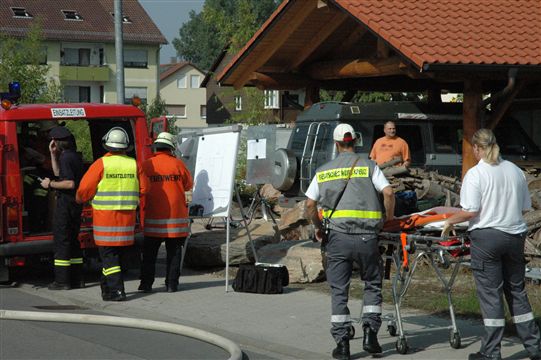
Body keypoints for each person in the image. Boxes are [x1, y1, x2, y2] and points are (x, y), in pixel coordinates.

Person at [442, 129, 541, 360]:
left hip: (487, 238)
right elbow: (525, 208)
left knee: (491, 295)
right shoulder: (516, 171)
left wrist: (448, 221)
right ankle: (535, 347)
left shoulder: (476, 174)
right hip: (515, 237)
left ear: (477, 148)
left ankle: (491, 352)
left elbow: (470, 212)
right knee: (517, 291)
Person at [306, 123, 395, 360]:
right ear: (355, 141)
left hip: (337, 238)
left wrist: (318, 228)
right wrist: (388, 219)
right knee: (372, 284)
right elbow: (388, 192)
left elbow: (309, 204)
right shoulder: (369, 166)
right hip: (368, 238)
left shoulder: (323, 170)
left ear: (336, 144)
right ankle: (370, 335)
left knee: (339, 290)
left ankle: (343, 344)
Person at [76, 127, 149, 301]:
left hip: (105, 221)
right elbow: (145, 189)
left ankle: (117, 291)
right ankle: (107, 290)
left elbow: (84, 190)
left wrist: (80, 200)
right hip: (126, 221)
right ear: (125, 146)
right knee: (114, 258)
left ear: (107, 145)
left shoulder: (101, 164)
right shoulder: (134, 164)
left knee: (109, 257)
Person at [138, 132, 193, 293]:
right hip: (175, 220)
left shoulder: (147, 165)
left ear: (156, 147)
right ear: (171, 148)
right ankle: (171, 285)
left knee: (149, 255)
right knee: (174, 254)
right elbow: (188, 185)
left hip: (153, 219)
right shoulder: (178, 164)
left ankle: (146, 284)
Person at [40, 126, 84, 290]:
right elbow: (60, 173)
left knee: (62, 241)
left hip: (66, 204)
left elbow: (69, 183)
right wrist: (52, 154)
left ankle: (62, 281)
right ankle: (76, 279)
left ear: (56, 142)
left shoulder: (66, 158)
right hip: (75, 204)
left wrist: (49, 184)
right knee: (73, 241)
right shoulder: (72, 156)